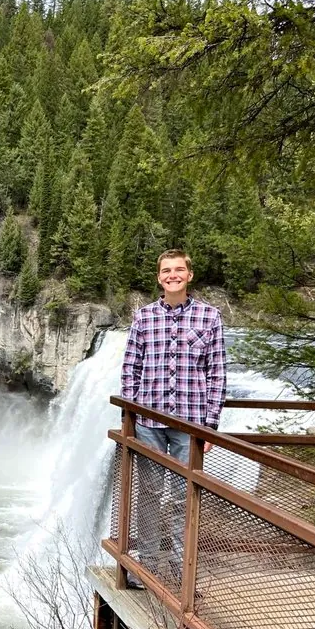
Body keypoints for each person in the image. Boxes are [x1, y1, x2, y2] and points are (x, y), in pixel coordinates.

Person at [119, 249, 226, 586]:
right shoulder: (144, 317)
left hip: (190, 424)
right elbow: (130, 369)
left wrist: (211, 426)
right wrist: (129, 416)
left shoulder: (210, 317)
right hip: (148, 421)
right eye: (166, 271)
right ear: (159, 277)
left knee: (184, 497)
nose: (173, 275)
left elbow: (217, 373)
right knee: (149, 496)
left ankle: (182, 570)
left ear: (189, 275)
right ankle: (148, 565)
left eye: (179, 270)